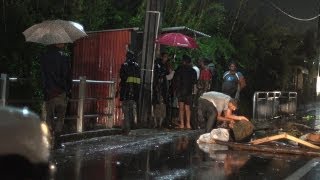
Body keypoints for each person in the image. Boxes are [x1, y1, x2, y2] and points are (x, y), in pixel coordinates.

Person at [40, 43, 72, 147]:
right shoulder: (65, 57)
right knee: (60, 117)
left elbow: (43, 75)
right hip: (61, 92)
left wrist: (45, 89)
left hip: (49, 92)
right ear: (59, 43)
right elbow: (68, 75)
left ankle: (49, 140)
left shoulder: (45, 56)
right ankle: (57, 142)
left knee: (49, 117)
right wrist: (68, 90)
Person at [173, 55, 197, 129]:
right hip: (189, 91)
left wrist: (175, 90)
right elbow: (194, 82)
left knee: (181, 108)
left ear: (183, 61)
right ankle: (188, 124)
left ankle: (182, 124)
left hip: (180, 91)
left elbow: (175, 80)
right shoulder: (193, 71)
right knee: (188, 108)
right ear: (190, 62)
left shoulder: (179, 69)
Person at [119, 50, 141, 135]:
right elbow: (138, 80)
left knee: (126, 112)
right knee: (132, 111)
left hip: (126, 93)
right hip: (134, 94)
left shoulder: (124, 66)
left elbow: (122, 78)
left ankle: (127, 129)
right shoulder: (137, 66)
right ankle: (132, 127)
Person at [153, 52, 173, 128]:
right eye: (165, 57)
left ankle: (160, 123)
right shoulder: (158, 64)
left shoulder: (166, 65)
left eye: (167, 57)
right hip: (159, 86)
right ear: (162, 57)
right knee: (157, 104)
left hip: (164, 87)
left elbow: (169, 75)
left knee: (163, 105)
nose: (166, 58)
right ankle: (156, 123)